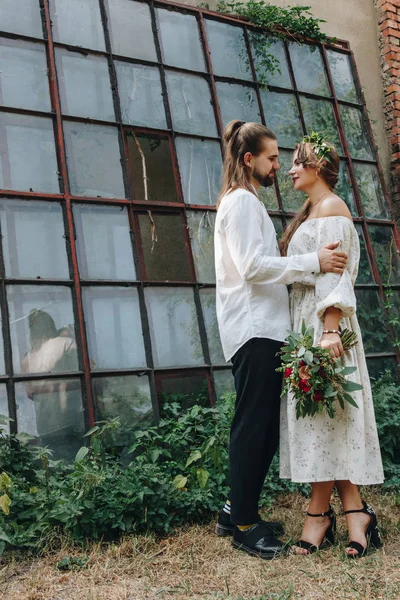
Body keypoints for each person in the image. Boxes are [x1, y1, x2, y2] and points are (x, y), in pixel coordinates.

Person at [213, 120, 348, 559]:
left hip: (265, 328)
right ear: (249, 160)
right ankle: (245, 526)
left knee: (263, 427)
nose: (278, 165)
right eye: (272, 157)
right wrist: (314, 261)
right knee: (254, 428)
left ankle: (234, 509)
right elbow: (253, 266)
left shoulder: (247, 202)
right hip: (255, 329)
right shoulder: (241, 203)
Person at [279, 135, 384, 558]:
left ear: (318, 166)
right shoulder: (313, 211)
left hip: (326, 325)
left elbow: (336, 277)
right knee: (325, 418)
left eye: (297, 163)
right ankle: (352, 512)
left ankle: (320, 515)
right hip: (310, 322)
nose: (290, 170)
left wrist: (329, 330)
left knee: (327, 414)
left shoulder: (333, 210)